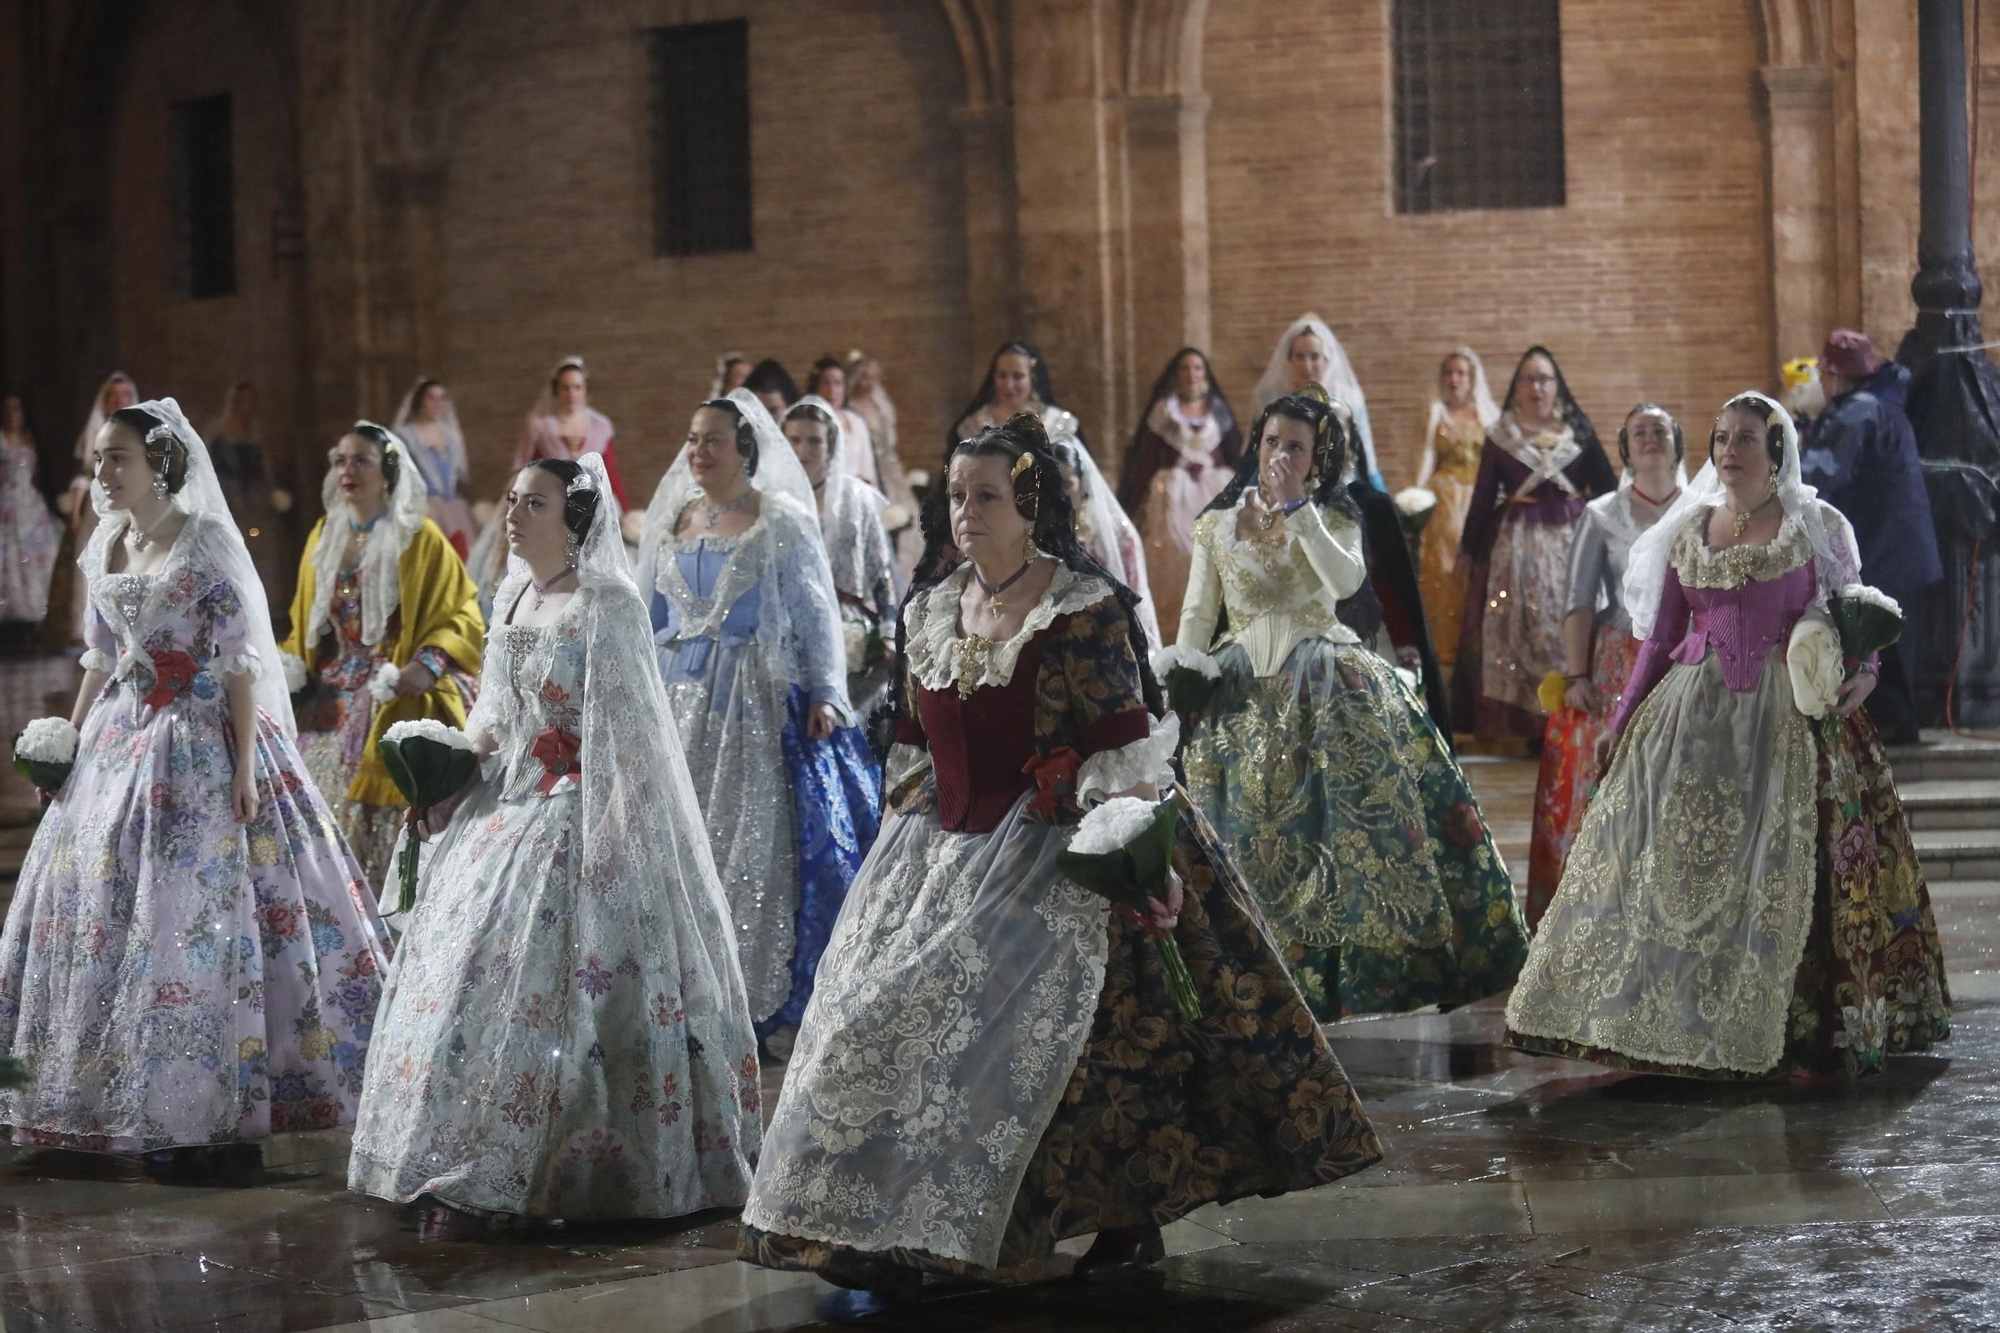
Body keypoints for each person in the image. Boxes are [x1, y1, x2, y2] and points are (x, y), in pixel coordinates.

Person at [738, 411, 1382, 1291]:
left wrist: (1131, 854)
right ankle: (875, 1218)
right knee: (870, 1017)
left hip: (1061, 842)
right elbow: (916, 748)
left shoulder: (1083, 610)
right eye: (958, 495)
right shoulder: (927, 609)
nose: (967, 511)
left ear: (1032, 503)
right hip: (941, 847)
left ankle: (1108, 1216)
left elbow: (1125, 750)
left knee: (1082, 1038)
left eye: (988, 495)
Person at [348, 454, 760, 1235]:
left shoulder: (607, 605)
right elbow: (495, 715)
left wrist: (609, 836)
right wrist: (448, 771)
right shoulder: (510, 596)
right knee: (467, 972)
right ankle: (460, 1149)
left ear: (573, 521)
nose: (512, 513)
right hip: (506, 803)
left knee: (572, 987)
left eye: (532, 503)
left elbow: (631, 736)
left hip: (577, 808)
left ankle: (563, 1163)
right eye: (511, 499)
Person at [1506, 393, 1951, 1078]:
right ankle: (1665, 1016)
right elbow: (1659, 643)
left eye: (1746, 437)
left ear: (1778, 450)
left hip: (1792, 715)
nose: (1729, 450)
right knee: (1674, 868)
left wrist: (1861, 674)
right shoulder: (1690, 531)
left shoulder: (1816, 524)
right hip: (1693, 716)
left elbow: (1855, 616)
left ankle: (1799, 1019)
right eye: (1721, 438)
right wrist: (1619, 726)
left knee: (1783, 864)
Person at [0, 398, 389, 1182]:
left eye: (119, 458)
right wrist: (68, 743)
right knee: (97, 905)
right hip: (120, 737)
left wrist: (246, 766)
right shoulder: (110, 540)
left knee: (194, 913)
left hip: (198, 741)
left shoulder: (203, 539)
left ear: (160, 465)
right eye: (102, 457)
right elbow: (99, 657)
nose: (104, 472)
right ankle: (90, 1096)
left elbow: (241, 660)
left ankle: (209, 1108)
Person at [1172, 386, 1525, 1018]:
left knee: (1342, 824)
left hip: (1323, 672)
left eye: (1297, 446)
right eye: (1273, 441)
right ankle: (1248, 964)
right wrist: (1182, 680)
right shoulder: (1218, 523)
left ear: (1317, 458)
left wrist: (1298, 510)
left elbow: (1346, 583)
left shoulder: (1334, 516)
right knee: (1240, 825)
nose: (1281, 454)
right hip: (1238, 683)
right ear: (1257, 444)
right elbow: (1199, 612)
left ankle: (1352, 970)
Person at [639, 390, 881, 1049]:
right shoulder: (672, 522)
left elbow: (813, 610)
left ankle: (746, 991)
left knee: (745, 839)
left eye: (712, 439)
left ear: (745, 448)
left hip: (748, 699)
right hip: (675, 701)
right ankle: (681, 990)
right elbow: (649, 618)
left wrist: (828, 690)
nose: (698, 451)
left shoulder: (779, 520)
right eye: (692, 439)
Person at [279, 422, 484, 886]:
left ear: (387, 471)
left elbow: (461, 612)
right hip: (333, 685)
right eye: (341, 461)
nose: (347, 471)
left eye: (361, 461)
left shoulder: (419, 538)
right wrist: (291, 667)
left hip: (396, 679)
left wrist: (427, 665)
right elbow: (304, 621)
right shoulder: (322, 535)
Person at [1523, 404, 1686, 928]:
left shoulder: (1703, 509)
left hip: (1685, 652)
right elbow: (1577, 599)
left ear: (1678, 444)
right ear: (1624, 448)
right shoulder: (1601, 514)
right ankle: (1597, 909)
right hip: (1619, 653)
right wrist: (1577, 675)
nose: (1650, 439)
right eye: (1639, 431)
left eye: (1660, 430)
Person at [1453, 347, 1616, 741]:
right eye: (1528, 379)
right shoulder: (1502, 436)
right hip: (1515, 546)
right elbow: (1482, 496)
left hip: (1574, 542)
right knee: (1517, 627)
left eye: (1544, 379)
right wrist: (1468, 550)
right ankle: (1525, 725)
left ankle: (1576, 710)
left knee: (1571, 617)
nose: (1536, 387)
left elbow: (1607, 486)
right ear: (1516, 387)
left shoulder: (1577, 431)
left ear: (1556, 386)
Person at [1800, 330, 1942, 746]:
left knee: (1882, 641)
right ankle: (1894, 728)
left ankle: (1892, 733)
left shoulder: (1857, 411)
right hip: (1897, 548)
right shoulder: (1880, 404)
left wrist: (1786, 451)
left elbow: (1822, 474)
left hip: (1881, 549)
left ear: (1836, 376)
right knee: (1889, 642)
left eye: (1823, 374)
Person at [784, 396, 899, 729]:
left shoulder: (856, 499)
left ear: (831, 444)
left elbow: (881, 572)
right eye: (795, 440)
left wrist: (888, 632)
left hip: (849, 623)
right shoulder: (774, 502)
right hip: (791, 630)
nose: (803, 450)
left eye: (814, 441)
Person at [1116, 347, 1242, 634]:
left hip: (1214, 493)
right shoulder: (1163, 414)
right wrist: (1130, 505)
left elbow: (1235, 455)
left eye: (1197, 368)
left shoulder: (1218, 412)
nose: (1191, 375)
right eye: (1185, 368)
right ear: (1176, 375)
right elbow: (1144, 461)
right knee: (1174, 556)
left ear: (1206, 374)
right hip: (1174, 496)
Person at [1412, 348, 1501, 667]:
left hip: (1480, 498)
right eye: (1449, 373)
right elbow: (1423, 459)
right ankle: (1445, 650)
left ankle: (1479, 649)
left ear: (1471, 378)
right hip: (1445, 500)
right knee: (1445, 572)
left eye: (1460, 373)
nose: (1454, 379)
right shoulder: (1435, 412)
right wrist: (1415, 503)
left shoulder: (1488, 416)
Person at [1051, 429, 1161, 647]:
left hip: (1111, 641)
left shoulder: (1117, 535)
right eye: (1050, 486)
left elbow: (1136, 597)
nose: (1059, 494)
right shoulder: (1035, 535)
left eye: (1066, 484)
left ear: (1083, 484)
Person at [1252, 314, 1384, 489]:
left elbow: (1363, 450)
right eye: (1300, 357)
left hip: (1340, 483)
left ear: (1326, 359)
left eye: (1314, 357)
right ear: (1289, 359)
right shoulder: (1270, 398)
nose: (1307, 366)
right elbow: (1258, 450)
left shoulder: (1348, 397)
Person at [63, 373, 138, 640]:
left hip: (128, 503)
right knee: (93, 562)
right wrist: (75, 511)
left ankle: (125, 625)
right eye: (114, 395)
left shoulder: (137, 430)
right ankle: (89, 628)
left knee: (126, 561)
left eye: (124, 395)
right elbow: (85, 472)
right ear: (106, 401)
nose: (119, 400)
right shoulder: (97, 430)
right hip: (99, 505)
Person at [512, 355, 629, 508]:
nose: (571, 394)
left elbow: (610, 473)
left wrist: (626, 511)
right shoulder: (540, 425)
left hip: (592, 504)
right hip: (549, 504)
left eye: (577, 387)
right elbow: (525, 469)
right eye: (565, 388)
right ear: (556, 390)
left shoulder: (600, 426)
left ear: (585, 390)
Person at [205, 380, 287, 592]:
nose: (247, 405)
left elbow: (264, 468)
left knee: (260, 546)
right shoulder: (218, 433)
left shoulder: (257, 433)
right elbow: (207, 466)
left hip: (255, 500)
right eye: (243, 400)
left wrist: (272, 494)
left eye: (251, 400)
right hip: (228, 498)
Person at [846, 350, 920, 581]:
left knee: (911, 525)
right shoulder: (849, 407)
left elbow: (890, 440)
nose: (868, 383)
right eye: (864, 377)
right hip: (868, 469)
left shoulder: (880, 404)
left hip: (889, 468)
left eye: (873, 377)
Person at [390, 377, 479, 558]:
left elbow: (459, 475)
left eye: (441, 398)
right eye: (431, 397)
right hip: (425, 507)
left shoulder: (449, 435)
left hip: (453, 507)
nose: (437, 404)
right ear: (419, 401)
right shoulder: (406, 435)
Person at [0, 394, 59, 624]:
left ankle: (32, 610)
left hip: (29, 504)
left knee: (32, 554)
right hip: (5, 501)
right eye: (8, 409)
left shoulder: (29, 440)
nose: (12, 414)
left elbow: (36, 473)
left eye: (16, 409)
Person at [802, 357, 880, 490]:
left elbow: (867, 467)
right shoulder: (807, 423)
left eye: (838, 383)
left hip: (858, 494)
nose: (832, 390)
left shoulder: (857, 422)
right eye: (825, 383)